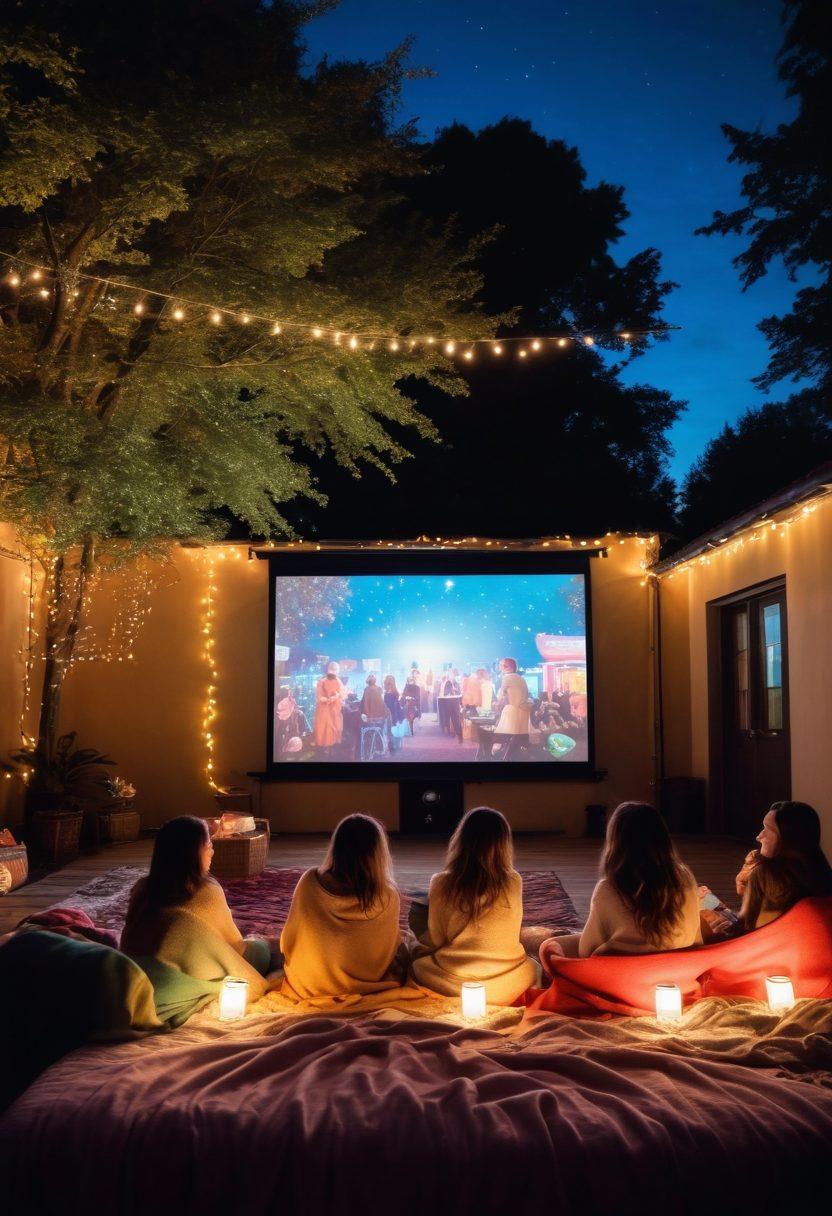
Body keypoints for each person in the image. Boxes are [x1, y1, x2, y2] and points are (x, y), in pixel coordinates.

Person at [540, 801, 701, 967]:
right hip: (677, 973)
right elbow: (698, 940)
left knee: (549, 946)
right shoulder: (685, 879)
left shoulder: (609, 888)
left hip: (621, 979)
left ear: (616, 843)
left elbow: (587, 950)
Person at [122, 816, 271, 990]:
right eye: (208, 846)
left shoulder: (142, 887)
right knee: (260, 949)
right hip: (176, 978)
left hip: (134, 972)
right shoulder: (206, 890)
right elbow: (236, 947)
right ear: (192, 853)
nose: (212, 852)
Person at [411, 807, 536, 1004]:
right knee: (534, 966)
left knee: (416, 958)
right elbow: (513, 933)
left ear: (461, 842)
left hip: (455, 981)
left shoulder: (441, 882)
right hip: (507, 983)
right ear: (503, 844)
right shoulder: (514, 880)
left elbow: (436, 940)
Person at [280, 814, 403, 1000]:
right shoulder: (388, 896)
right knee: (407, 948)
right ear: (378, 852)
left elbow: (289, 941)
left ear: (336, 847)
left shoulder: (310, 881)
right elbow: (386, 952)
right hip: (364, 985)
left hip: (311, 983)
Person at [738, 801, 832, 930]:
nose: (759, 837)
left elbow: (746, 927)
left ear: (788, 838)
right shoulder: (823, 875)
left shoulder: (763, 873)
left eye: (768, 829)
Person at [494, 657, 531, 735]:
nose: (499, 667)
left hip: (513, 711)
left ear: (506, 667)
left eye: (500, 665)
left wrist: (496, 705)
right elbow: (527, 695)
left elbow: (500, 696)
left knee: (506, 737)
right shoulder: (521, 678)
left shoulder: (507, 678)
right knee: (521, 737)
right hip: (524, 711)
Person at [313, 661, 344, 753]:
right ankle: (325, 749)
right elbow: (319, 697)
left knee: (333, 729)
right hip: (324, 710)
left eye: (335, 670)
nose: (333, 672)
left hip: (334, 710)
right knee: (325, 729)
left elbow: (342, 693)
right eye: (332, 669)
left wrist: (337, 696)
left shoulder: (338, 681)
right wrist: (329, 699)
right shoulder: (322, 682)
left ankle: (331, 748)